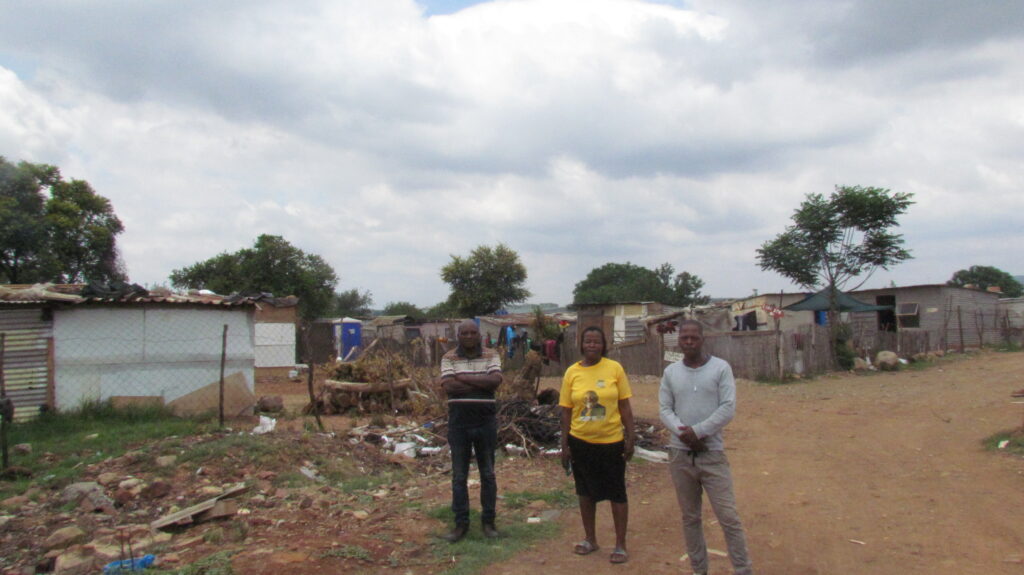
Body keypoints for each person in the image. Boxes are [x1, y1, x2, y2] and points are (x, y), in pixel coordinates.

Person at [659, 320, 753, 575]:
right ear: (679, 340)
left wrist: (699, 431)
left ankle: (743, 569)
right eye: (684, 337)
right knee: (690, 518)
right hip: (680, 455)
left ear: (703, 339)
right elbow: (665, 409)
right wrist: (684, 433)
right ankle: (699, 570)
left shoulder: (721, 368)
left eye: (694, 337)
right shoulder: (671, 373)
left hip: (711, 453)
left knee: (728, 517)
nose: (688, 342)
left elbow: (727, 408)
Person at [559, 326, 635, 564]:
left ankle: (620, 544)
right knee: (585, 492)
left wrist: (630, 437)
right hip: (580, 442)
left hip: (611, 442)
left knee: (617, 493)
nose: (592, 345)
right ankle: (590, 539)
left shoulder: (615, 369)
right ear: (581, 345)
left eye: (597, 342)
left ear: (604, 346)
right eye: (588, 342)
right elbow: (565, 411)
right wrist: (564, 445)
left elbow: (624, 406)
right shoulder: (571, 372)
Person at [440, 320, 503, 543]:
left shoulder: (491, 354)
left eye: (472, 332)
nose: (468, 336)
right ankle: (461, 524)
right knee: (459, 477)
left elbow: (495, 381)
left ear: (479, 335)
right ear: (458, 335)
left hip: (485, 422)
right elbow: (449, 387)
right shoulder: (448, 357)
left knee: (488, 474)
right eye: (464, 333)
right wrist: (481, 382)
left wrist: (464, 377)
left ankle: (488, 522)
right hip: (459, 424)